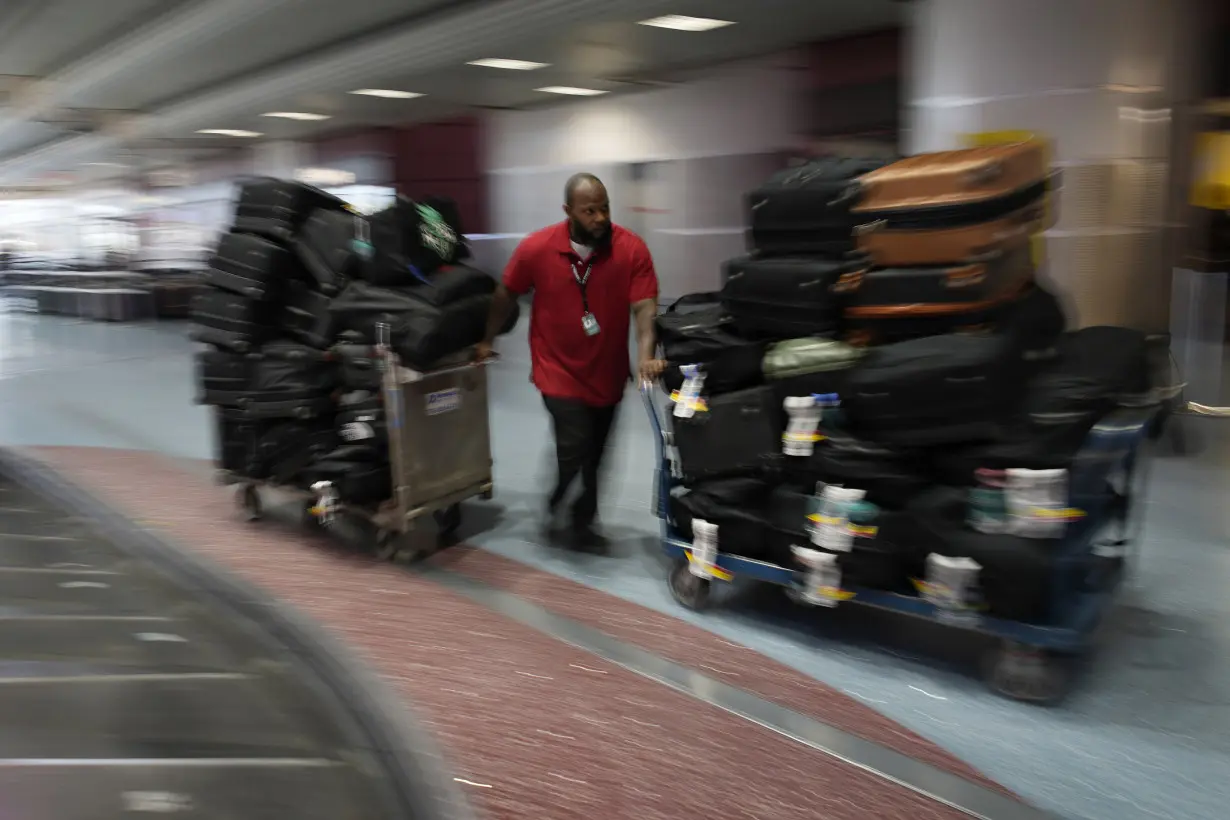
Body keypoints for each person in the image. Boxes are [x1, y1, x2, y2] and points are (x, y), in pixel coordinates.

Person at [475, 172, 664, 549]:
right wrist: (486, 339)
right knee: (575, 443)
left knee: (598, 455)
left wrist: (645, 356)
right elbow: (504, 294)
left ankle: (583, 524)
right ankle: (557, 499)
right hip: (556, 368)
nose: (599, 218)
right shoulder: (537, 248)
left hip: (607, 372)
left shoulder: (631, 249)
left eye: (604, 208)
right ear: (568, 211)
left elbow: (645, 309)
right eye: (589, 210)